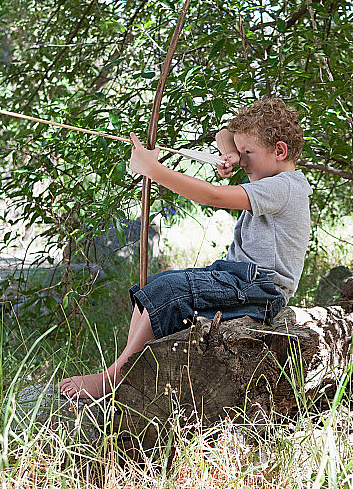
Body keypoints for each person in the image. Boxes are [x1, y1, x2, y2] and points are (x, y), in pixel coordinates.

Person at [58, 97, 313, 399]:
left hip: (262, 290)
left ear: (279, 151)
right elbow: (225, 134)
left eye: (248, 153)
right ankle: (126, 367)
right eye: (242, 153)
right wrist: (232, 152)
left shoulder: (284, 186)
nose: (243, 162)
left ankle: (114, 378)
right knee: (154, 285)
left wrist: (153, 170)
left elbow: (213, 196)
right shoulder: (276, 178)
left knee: (167, 292)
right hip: (238, 278)